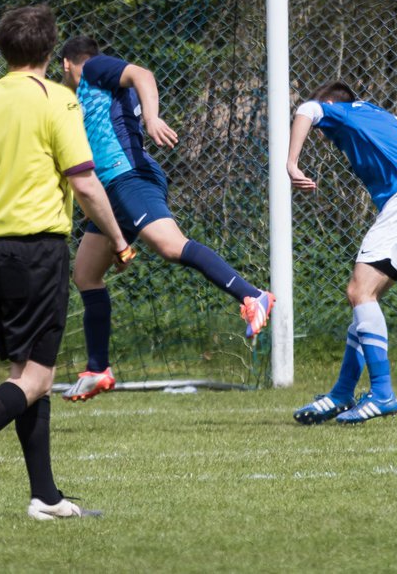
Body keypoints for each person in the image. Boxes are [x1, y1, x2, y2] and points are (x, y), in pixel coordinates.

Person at [0, 6, 136, 522]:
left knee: (27, 372)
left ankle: (46, 497)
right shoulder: (59, 100)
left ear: (3, 49)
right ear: (51, 53)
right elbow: (83, 181)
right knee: (35, 379)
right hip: (38, 251)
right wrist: (120, 239)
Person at [56, 37, 276, 402]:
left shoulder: (93, 68)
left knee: (169, 246)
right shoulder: (72, 100)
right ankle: (98, 369)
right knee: (86, 275)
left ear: (66, 63)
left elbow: (142, 74)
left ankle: (253, 295)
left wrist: (153, 116)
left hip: (129, 177)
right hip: (108, 189)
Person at [286, 81, 397, 425]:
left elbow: (306, 110)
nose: (323, 134)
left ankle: (383, 393)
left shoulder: (341, 112)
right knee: (366, 299)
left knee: (358, 292)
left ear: (331, 102)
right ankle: (342, 394)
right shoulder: (380, 116)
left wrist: (292, 165)